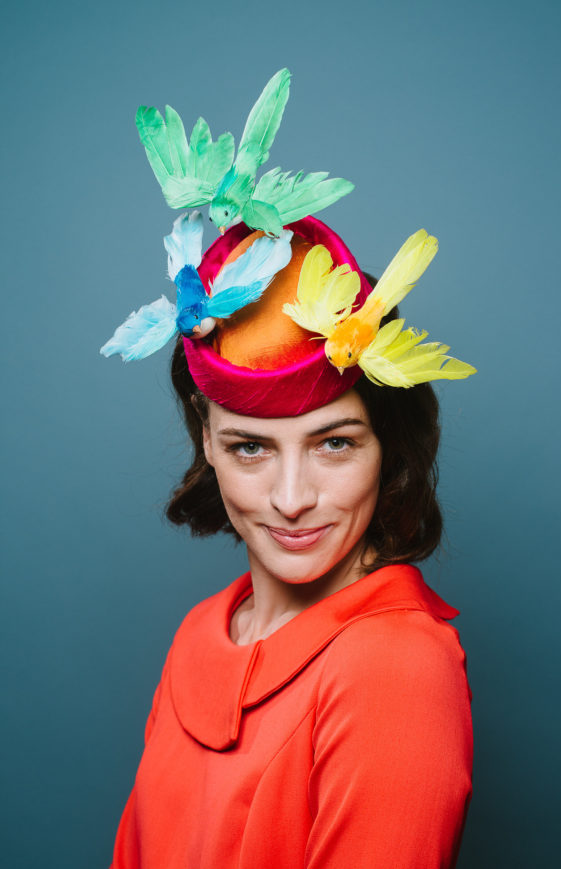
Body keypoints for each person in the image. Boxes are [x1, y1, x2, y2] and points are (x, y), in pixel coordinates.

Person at [102, 72, 476, 869]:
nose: (294, 497)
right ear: (206, 439)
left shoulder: (394, 669)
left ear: (388, 445)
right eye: (251, 447)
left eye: (336, 442)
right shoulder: (201, 634)